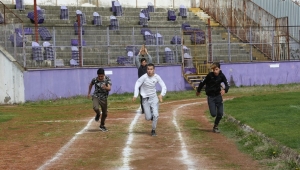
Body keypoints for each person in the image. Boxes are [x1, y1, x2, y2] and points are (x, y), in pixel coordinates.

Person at [132, 63, 167, 136]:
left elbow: (163, 86)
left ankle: (153, 130)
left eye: (151, 69)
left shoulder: (157, 77)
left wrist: (161, 95)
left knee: (156, 115)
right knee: (148, 118)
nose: (149, 71)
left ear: (154, 70)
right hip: (145, 99)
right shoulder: (143, 77)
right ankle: (150, 113)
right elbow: (137, 84)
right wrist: (135, 95)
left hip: (154, 98)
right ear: (146, 70)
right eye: (148, 69)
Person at [196, 62, 229, 133]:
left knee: (220, 113)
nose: (215, 71)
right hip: (211, 97)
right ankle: (213, 113)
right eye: (213, 70)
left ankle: (215, 126)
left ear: (219, 69)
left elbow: (227, 84)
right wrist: (198, 91)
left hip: (218, 96)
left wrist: (225, 90)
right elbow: (202, 83)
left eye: (216, 69)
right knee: (213, 114)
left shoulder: (222, 76)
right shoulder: (209, 75)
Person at [134, 45, 152, 114]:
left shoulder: (148, 67)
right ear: (141, 63)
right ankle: (143, 110)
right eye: (143, 62)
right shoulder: (139, 67)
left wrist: (147, 53)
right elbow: (136, 60)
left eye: (145, 62)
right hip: (141, 85)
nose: (144, 63)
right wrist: (139, 53)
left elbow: (150, 60)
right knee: (142, 98)